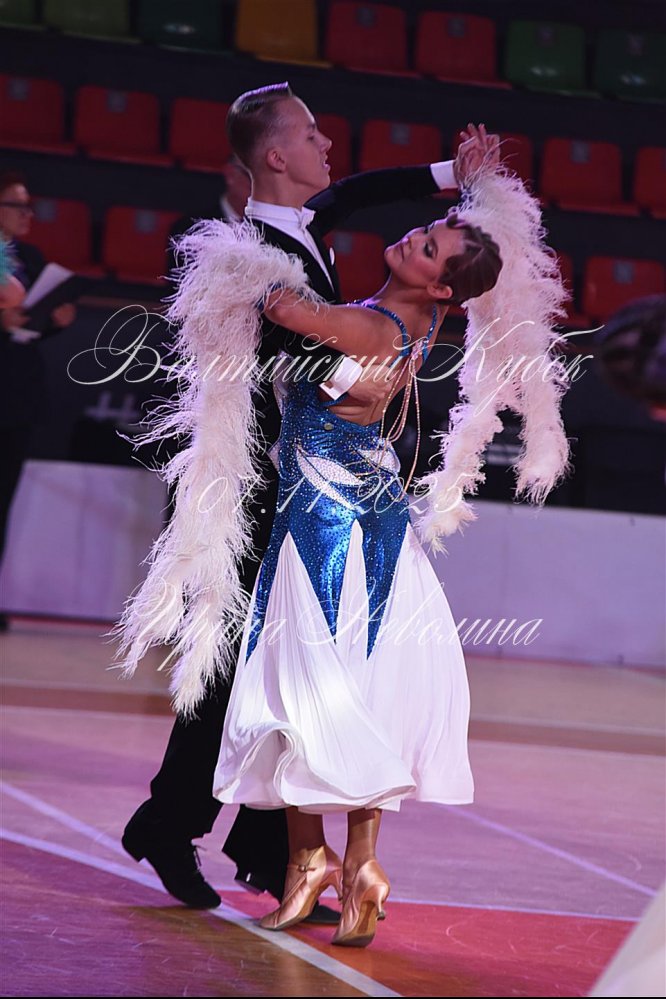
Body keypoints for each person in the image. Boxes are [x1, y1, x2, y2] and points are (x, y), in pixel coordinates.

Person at [119, 81, 500, 918]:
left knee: (287, 666)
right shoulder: (242, 246)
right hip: (252, 482)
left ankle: (274, 855)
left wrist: (451, 174)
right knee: (238, 665)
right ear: (276, 155)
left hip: (310, 482)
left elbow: (359, 192)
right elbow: (275, 354)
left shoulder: (304, 220)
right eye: (312, 135)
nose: (328, 144)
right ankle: (176, 824)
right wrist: (367, 365)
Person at [207, 207, 502, 947]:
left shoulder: (367, 328)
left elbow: (281, 306)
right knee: (357, 684)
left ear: (440, 288)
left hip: (324, 527)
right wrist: (461, 187)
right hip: (374, 519)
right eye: (426, 230)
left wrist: (242, 241)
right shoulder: (416, 322)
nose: (410, 238)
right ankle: (358, 865)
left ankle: (310, 861)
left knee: (301, 683)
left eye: (427, 247)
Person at [0, 173, 77, 633]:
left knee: (3, 496)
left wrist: (54, 322)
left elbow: (28, 325)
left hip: (16, 391)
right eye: (17, 205)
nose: (27, 215)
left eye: (29, 206)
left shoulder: (29, 257)